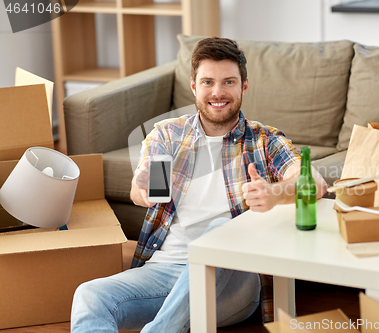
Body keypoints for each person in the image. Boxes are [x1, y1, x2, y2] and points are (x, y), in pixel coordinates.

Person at [71, 37, 327, 333]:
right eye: (208, 82)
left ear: (244, 86)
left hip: (234, 281)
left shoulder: (264, 140)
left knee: (219, 231)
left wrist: (274, 193)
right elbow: (146, 193)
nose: (218, 92)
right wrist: (141, 190)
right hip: (164, 272)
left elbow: (315, 182)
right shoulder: (167, 135)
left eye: (228, 82)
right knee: (89, 296)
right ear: (194, 86)